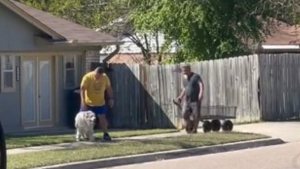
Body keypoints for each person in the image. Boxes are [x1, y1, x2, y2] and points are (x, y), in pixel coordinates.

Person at [80, 67, 114, 141]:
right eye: (96, 75)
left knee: (102, 118)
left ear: (102, 74)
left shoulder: (105, 78)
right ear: (94, 72)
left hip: (100, 102)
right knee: (84, 119)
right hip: (88, 102)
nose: (97, 77)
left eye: (99, 76)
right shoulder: (87, 77)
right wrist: (83, 101)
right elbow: (82, 89)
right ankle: (85, 135)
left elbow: (109, 88)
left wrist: (111, 98)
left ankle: (105, 134)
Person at [177, 64, 204, 133]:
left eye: (185, 70)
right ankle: (190, 124)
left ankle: (195, 129)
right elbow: (184, 89)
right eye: (183, 70)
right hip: (187, 100)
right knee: (184, 114)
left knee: (196, 115)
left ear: (189, 69)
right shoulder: (185, 79)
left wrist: (201, 93)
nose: (184, 71)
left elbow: (201, 84)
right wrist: (180, 97)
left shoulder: (195, 76)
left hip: (195, 100)